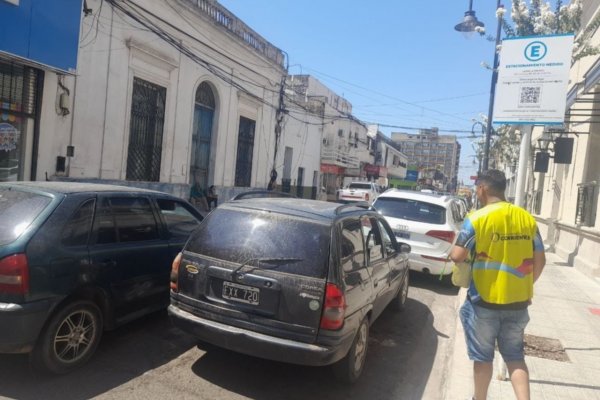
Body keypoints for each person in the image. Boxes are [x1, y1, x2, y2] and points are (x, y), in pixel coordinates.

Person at [450, 169, 546, 400]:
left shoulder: (477, 218)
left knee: (482, 358)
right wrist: (525, 285)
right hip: (518, 303)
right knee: (515, 356)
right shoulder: (527, 219)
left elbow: (457, 255)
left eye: (476, 188)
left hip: (483, 301)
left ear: (482, 188)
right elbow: (540, 261)